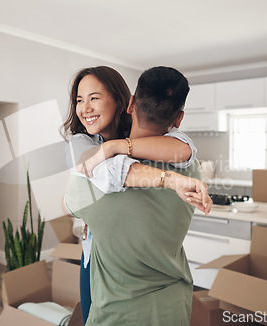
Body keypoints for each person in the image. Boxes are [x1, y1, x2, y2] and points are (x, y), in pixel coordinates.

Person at [62, 66, 210, 325]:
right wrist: (171, 180)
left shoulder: (152, 147)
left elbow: (185, 148)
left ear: (127, 102)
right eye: (79, 100)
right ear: (179, 117)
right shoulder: (80, 143)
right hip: (114, 263)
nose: (85, 108)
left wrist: (116, 146)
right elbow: (100, 168)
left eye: (94, 98)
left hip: (119, 290)